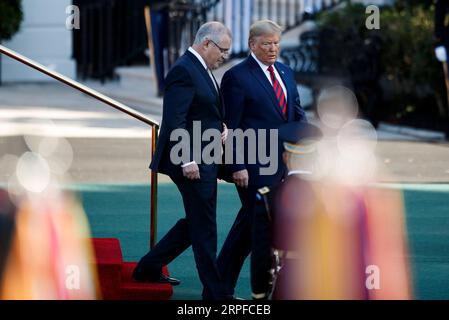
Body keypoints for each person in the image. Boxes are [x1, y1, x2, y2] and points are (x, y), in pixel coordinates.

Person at [132, 22, 232, 301]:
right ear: (206, 44)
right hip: (191, 162)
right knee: (205, 227)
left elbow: (201, 111)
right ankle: (215, 295)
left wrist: (219, 126)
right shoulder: (183, 70)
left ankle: (148, 267)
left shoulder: (201, 68)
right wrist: (187, 159)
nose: (224, 55)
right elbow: (175, 119)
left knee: (197, 223)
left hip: (205, 157)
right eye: (222, 50)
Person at [217, 19, 307, 299]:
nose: (272, 49)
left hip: (282, 164)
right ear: (252, 44)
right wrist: (236, 165)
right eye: (266, 43)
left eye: (276, 43)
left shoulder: (285, 72)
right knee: (257, 227)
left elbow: (296, 113)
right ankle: (242, 289)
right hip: (252, 165)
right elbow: (228, 127)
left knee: (249, 226)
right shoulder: (237, 77)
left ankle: (218, 287)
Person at [251, 121, 323, 299]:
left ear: (285, 157)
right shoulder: (331, 194)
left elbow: (261, 252)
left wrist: (258, 294)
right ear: (315, 158)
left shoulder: (268, 196)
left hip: (285, 280)